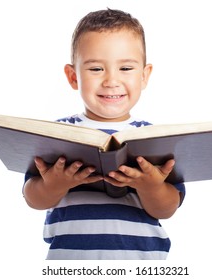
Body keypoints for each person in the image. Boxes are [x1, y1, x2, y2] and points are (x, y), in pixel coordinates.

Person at [23, 8, 185, 260]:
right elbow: (33, 198)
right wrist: (55, 184)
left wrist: (150, 186)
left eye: (126, 68)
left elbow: (167, 208)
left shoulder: (154, 138)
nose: (111, 80)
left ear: (144, 75)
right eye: (96, 69)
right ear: (73, 76)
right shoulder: (57, 134)